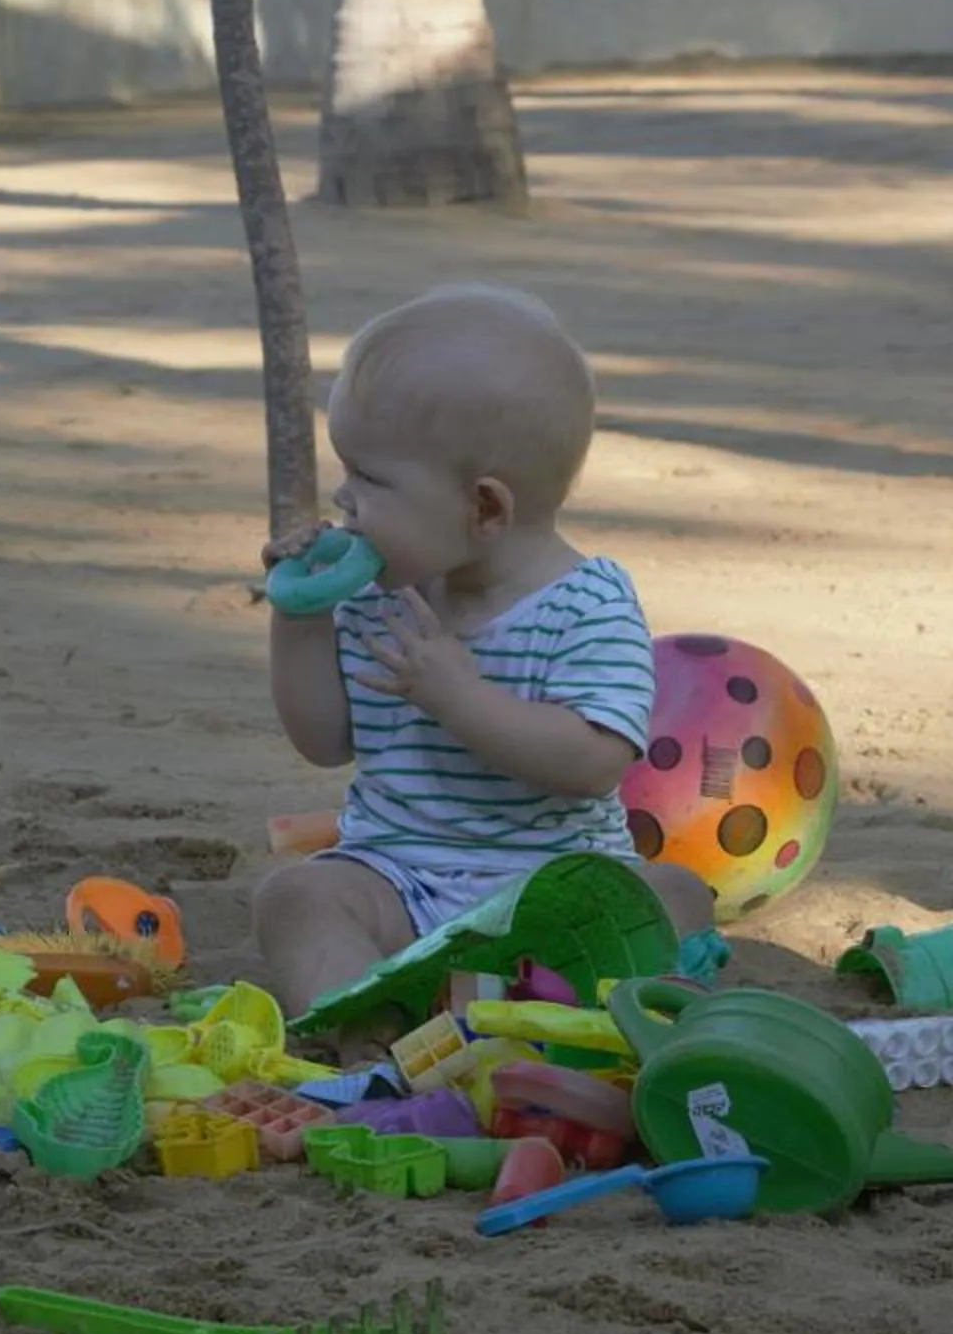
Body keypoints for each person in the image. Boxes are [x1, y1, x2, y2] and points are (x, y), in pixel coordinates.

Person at [253, 283, 716, 1033]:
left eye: (369, 478)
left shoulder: (586, 604)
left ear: (486, 508)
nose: (343, 498)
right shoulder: (380, 593)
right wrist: (298, 621)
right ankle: (371, 1029)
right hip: (400, 880)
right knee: (295, 898)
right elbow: (324, 740)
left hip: (555, 895)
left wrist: (461, 698)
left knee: (676, 894)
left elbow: (595, 761)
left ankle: (603, 1018)